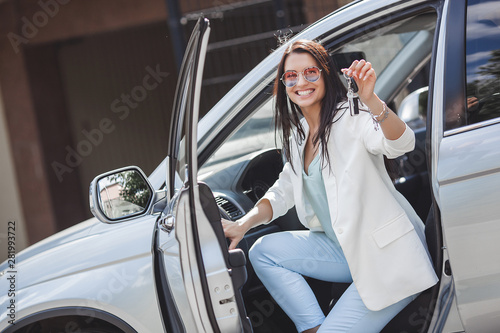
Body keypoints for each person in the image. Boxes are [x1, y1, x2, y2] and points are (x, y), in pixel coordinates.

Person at [222, 39, 438, 333]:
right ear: (284, 83)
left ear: (325, 74)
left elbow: (402, 143)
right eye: (291, 76)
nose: (301, 82)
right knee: (262, 251)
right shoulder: (300, 138)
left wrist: (371, 100)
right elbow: (282, 191)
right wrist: (242, 225)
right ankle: (312, 326)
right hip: (342, 252)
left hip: (386, 261)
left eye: (310, 72)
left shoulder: (352, 117)